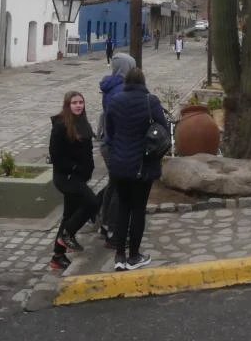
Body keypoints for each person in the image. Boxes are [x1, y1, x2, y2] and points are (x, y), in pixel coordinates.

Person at [105, 67, 167, 271]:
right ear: (143, 81)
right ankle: (134, 255)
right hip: (144, 164)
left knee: (123, 208)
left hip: (120, 164)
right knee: (138, 209)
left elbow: (110, 132)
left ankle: (119, 255)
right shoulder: (151, 101)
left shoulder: (115, 101)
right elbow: (163, 128)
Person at [48, 91, 98, 271]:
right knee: (92, 202)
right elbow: (56, 155)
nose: (78, 105)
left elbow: (87, 151)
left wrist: (88, 170)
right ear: (67, 105)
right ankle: (68, 234)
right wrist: (75, 168)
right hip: (66, 177)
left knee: (69, 214)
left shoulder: (83, 123)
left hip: (80, 177)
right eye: (74, 103)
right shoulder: (61, 126)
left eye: (81, 102)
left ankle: (58, 256)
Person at [96, 52, 136, 245]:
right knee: (119, 188)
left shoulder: (111, 85)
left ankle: (104, 222)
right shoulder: (120, 90)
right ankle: (113, 229)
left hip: (109, 141)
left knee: (112, 185)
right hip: (116, 144)